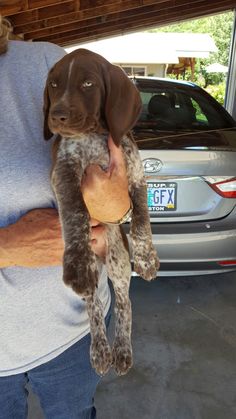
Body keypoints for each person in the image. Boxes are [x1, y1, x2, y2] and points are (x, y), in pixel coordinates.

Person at [0, 15, 131, 419]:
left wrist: (112, 209)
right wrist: (8, 247)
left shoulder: (49, 66)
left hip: (68, 332)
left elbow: (113, 197)